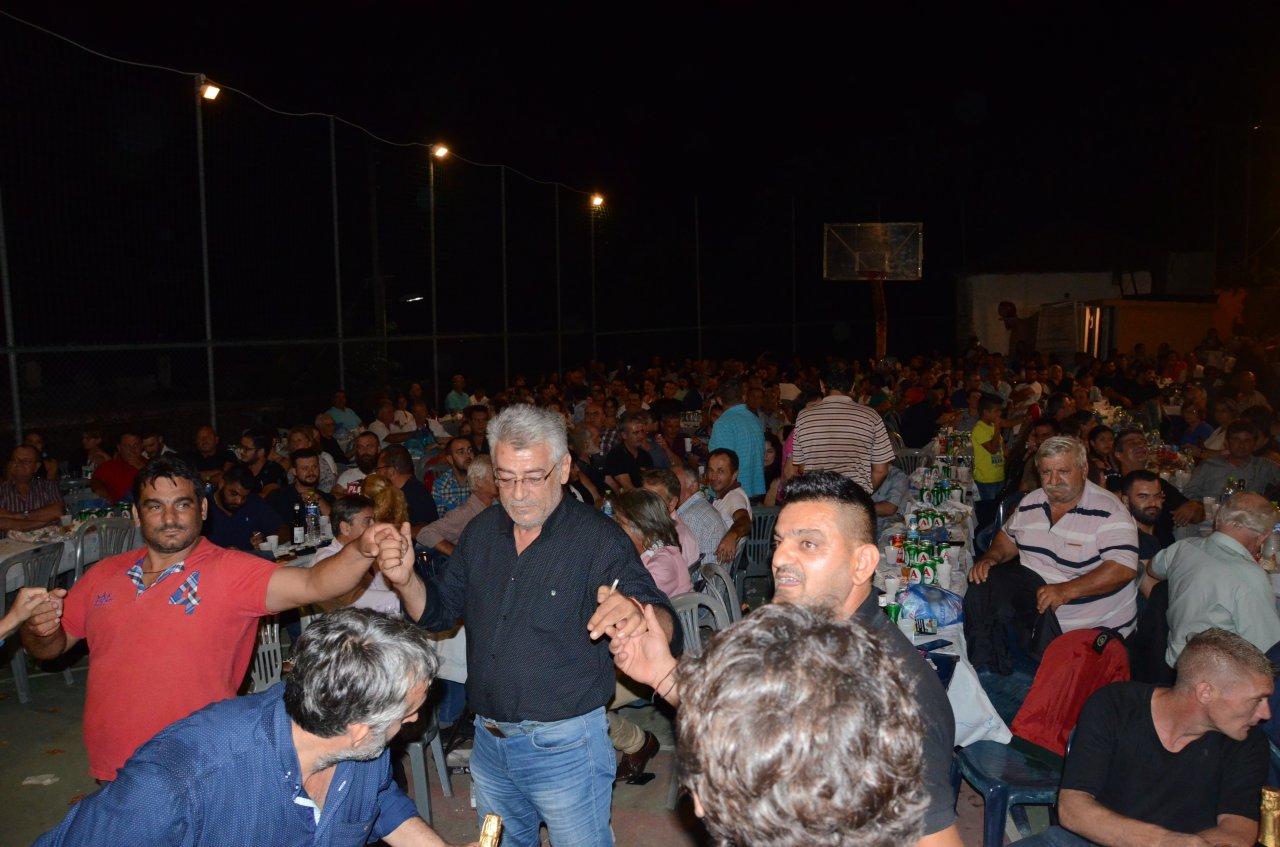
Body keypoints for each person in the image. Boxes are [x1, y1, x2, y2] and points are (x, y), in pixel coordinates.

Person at [376, 404, 679, 847]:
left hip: (566, 745)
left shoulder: (597, 538)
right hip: (489, 739)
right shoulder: (482, 532)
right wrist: (405, 580)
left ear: (564, 468)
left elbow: (659, 611)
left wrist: (637, 613)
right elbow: (439, 612)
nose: (518, 494)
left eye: (533, 477)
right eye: (505, 478)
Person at [608, 471, 962, 847]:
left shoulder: (892, 690)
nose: (779, 558)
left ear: (862, 563)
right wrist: (662, 672)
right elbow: (745, 719)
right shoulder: (807, 635)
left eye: (808, 543)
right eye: (779, 542)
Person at [20, 455, 416, 782]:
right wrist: (39, 628)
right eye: (155, 506)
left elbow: (315, 583)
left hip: (197, 761)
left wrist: (361, 550)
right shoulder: (102, 575)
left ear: (203, 509)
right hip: (113, 764)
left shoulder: (230, 571)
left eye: (182, 504)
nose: (169, 517)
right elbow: (51, 648)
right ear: (137, 516)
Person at [33, 608, 464, 847]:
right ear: (357, 728)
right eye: (408, 712)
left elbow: (378, 800)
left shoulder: (364, 749)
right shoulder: (178, 781)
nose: (415, 720)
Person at [1014, 628, 1270, 847]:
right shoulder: (1115, 705)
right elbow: (1072, 810)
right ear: (1205, 692)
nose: (1266, 713)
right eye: (1256, 700)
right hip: (1091, 840)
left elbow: (1238, 831)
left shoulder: (1247, 740)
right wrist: (1163, 842)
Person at [965, 436, 1140, 674]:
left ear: (1083, 470)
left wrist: (1066, 591)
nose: (1054, 480)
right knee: (983, 586)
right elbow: (1008, 538)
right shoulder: (1031, 502)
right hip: (1033, 625)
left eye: (1063, 471)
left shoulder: (1109, 511)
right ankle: (986, 670)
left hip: (1093, 637)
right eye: (1046, 472)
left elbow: (1123, 568)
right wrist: (991, 557)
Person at [1150, 493, 1280, 668]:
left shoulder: (1183, 547)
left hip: (1177, 660)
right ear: (1263, 536)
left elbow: (1153, 568)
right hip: (1219, 672)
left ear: (1218, 520)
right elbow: (1269, 649)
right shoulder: (1249, 576)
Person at [787, 367, 895, 498]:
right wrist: (861, 494)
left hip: (818, 499)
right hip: (855, 500)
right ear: (852, 386)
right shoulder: (871, 416)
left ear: (822, 385)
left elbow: (802, 466)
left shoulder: (804, 416)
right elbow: (881, 471)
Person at [1181, 420, 1280, 516]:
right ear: (1227, 443)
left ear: (1254, 444)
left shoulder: (1264, 466)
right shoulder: (1209, 465)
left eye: (1247, 441)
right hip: (1208, 519)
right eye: (1236, 439)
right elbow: (1189, 492)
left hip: (1247, 521)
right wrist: (1198, 507)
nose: (1241, 445)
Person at [1110, 428, 1190, 545]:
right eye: (1132, 443)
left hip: (1165, 549)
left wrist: (1194, 507)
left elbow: (1195, 512)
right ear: (1118, 454)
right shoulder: (1112, 484)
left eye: (1143, 442)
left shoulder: (1158, 484)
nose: (1140, 445)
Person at [612, 488, 693, 598]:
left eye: (619, 523)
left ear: (639, 529)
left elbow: (633, 600)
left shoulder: (661, 566)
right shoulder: (654, 551)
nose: (615, 528)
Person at [417, 455, 497, 557]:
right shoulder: (466, 513)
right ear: (478, 481)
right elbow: (425, 533)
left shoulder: (496, 506)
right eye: (494, 476)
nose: (500, 480)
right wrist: (459, 556)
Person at [708, 379, 766, 499]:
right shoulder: (755, 419)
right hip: (755, 489)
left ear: (719, 400)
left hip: (733, 494)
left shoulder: (723, 423)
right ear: (743, 397)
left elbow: (720, 463)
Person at [641, 468, 702, 570]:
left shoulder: (677, 538)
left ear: (672, 503)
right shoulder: (653, 525)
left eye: (653, 499)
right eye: (643, 496)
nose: (645, 503)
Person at [1117, 470, 1171, 579]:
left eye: (1157, 496)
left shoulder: (1164, 529)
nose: (1153, 503)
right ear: (1126, 501)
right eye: (1143, 497)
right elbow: (1152, 588)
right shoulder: (1132, 540)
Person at [0, 444, 65, 533]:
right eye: (15, 460)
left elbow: (57, 511)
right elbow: (2, 523)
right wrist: (43, 522)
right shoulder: (2, 490)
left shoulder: (48, 486)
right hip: (10, 542)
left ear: (36, 466)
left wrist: (15, 516)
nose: (18, 464)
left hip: (46, 541)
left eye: (26, 461)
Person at [265, 448, 334, 529]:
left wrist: (318, 499)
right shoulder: (278, 497)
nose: (311, 472)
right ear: (294, 471)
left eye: (314, 467)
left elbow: (337, 525)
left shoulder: (326, 498)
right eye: (305, 468)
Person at [375, 446, 438, 535]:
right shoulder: (401, 491)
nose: (377, 474)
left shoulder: (416, 493)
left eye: (378, 469)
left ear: (391, 471)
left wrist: (393, 529)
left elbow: (425, 530)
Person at [671, 464, 725, 566]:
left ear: (693, 487)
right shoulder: (700, 506)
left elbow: (681, 565)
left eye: (675, 483)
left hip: (703, 575)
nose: (669, 487)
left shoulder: (690, 517)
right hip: (713, 572)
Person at [708, 448, 753, 564]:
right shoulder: (727, 494)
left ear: (734, 475)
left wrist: (732, 536)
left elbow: (744, 521)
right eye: (711, 470)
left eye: (720, 471)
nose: (713, 477)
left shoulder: (734, 497)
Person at [971, 393, 1009, 503]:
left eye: (1000, 410)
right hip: (986, 479)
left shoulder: (992, 426)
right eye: (996, 411)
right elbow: (993, 449)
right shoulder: (979, 429)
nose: (999, 414)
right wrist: (997, 428)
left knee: (997, 507)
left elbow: (1004, 452)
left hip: (998, 476)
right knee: (989, 509)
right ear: (985, 412)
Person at [90, 431, 147, 502]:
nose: (132, 450)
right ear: (119, 448)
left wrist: (141, 467)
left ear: (141, 446)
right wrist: (101, 490)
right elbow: (95, 480)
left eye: (136, 445)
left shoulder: (150, 465)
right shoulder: (110, 466)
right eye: (127, 446)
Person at [234, 430, 287, 497]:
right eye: (241, 446)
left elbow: (266, 496)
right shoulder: (240, 467)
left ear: (261, 452)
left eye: (246, 449)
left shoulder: (275, 470)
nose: (241, 451)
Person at [431, 436, 474, 515]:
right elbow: (441, 518)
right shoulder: (440, 485)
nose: (468, 455)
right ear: (450, 459)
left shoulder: (482, 479)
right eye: (461, 452)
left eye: (470, 450)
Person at [871, 463, 910, 538]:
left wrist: (860, 507)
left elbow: (890, 509)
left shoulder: (898, 476)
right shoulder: (861, 473)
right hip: (867, 525)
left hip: (887, 528)